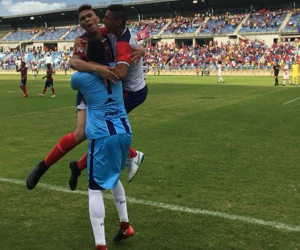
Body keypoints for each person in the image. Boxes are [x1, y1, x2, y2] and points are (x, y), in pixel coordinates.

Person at [26, 4, 146, 191]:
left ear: (97, 18)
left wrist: (142, 49)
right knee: (82, 133)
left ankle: (80, 166)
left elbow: (130, 41)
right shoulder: (82, 40)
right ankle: (43, 167)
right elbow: (73, 61)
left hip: (110, 91)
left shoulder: (110, 34)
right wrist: (97, 68)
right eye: (82, 19)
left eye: (90, 16)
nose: (87, 20)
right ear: (80, 24)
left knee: (98, 132)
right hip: (90, 90)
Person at [71, 37, 134, 250]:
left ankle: (100, 245)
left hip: (102, 135)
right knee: (113, 175)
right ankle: (125, 225)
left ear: (87, 55)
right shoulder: (116, 72)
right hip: (124, 131)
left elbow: (72, 73)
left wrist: (77, 53)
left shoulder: (82, 78)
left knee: (94, 189)